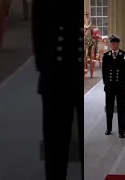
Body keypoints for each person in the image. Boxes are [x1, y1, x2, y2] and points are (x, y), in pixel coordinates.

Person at [31, 0, 84, 179]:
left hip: (67, 69)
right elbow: (38, 28)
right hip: (56, 72)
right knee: (55, 146)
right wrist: (45, 65)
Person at [102, 34, 125, 138]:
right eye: (111, 43)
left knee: (121, 109)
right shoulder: (106, 56)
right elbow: (104, 71)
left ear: (118, 43)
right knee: (109, 108)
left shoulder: (124, 55)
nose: (112, 45)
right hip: (110, 86)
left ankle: (121, 131)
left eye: (114, 43)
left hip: (120, 86)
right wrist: (106, 83)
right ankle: (108, 128)